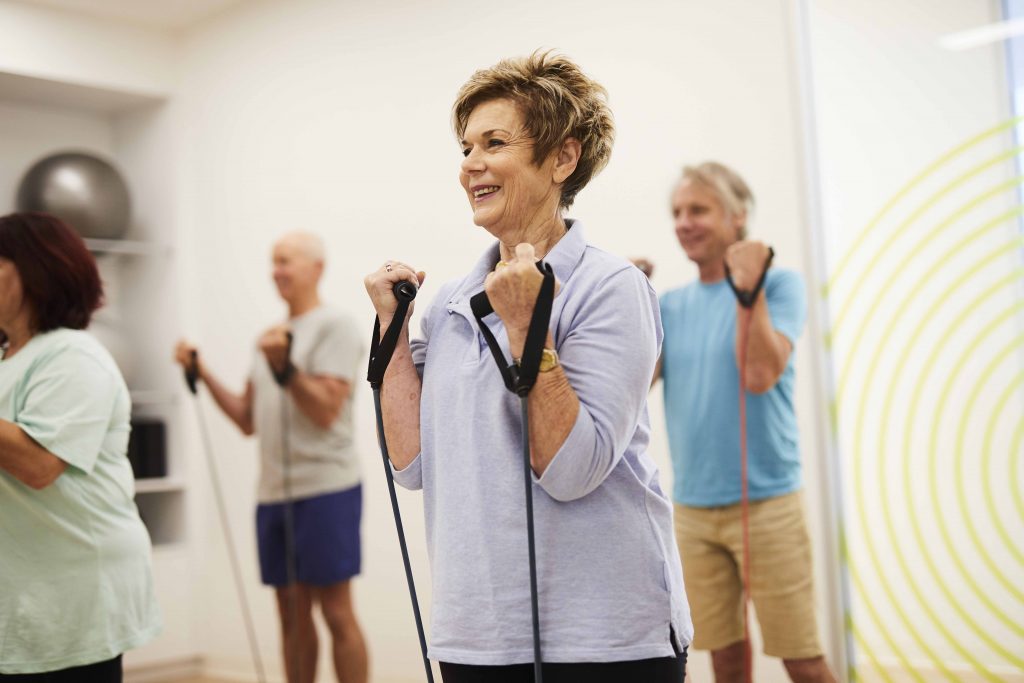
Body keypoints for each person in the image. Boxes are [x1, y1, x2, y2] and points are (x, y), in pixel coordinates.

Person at [364, 51, 692, 682]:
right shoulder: (453, 301)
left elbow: (572, 470)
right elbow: (411, 464)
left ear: (562, 159)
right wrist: (394, 331)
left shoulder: (611, 288)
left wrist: (526, 328)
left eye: (495, 142)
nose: (470, 166)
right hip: (477, 635)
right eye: (465, 147)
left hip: (605, 640)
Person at [646, 161, 836, 683]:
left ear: (737, 217)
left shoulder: (781, 287)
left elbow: (757, 373)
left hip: (769, 504)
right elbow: (633, 385)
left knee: (803, 660)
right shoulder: (671, 306)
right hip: (694, 511)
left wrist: (747, 290)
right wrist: (627, 303)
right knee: (725, 661)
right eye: (677, 212)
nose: (684, 222)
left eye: (698, 210)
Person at [174, 231, 368, 683]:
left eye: (286, 261)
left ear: (316, 267)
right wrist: (200, 371)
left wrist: (285, 368)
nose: (276, 271)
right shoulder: (270, 338)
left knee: (336, 612)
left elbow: (324, 411)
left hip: (326, 489)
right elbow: (246, 418)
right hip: (274, 495)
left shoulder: (334, 325)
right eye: (273, 263)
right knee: (290, 613)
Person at [0, 212, 162, 682]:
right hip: (26, 587)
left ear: (32, 270)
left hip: (72, 592)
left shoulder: (72, 355)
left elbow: (37, 463)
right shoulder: (9, 357)